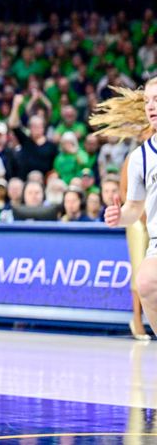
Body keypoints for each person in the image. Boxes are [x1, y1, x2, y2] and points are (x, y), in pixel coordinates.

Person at [90, 84, 153, 341]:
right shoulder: (137, 158)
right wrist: (122, 215)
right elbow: (132, 203)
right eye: (148, 101)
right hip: (141, 222)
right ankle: (136, 320)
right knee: (143, 277)